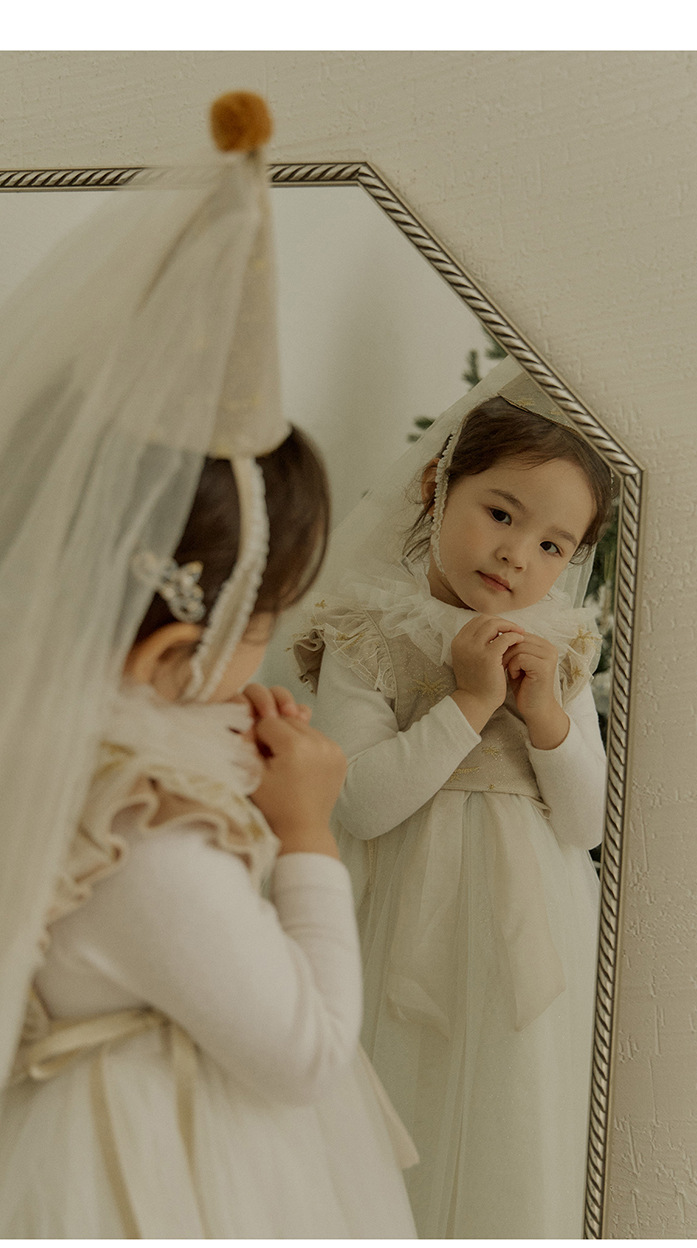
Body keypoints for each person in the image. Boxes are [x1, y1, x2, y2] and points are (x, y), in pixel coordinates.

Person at [0, 93, 416, 1238]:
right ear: (176, 646)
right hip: (165, 1181)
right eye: (266, 618)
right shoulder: (144, 838)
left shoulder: (58, 745)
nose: (266, 652)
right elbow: (305, 1053)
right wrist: (307, 833)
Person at [294, 357, 615, 1238]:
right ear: (438, 485)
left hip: (534, 926)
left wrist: (544, 715)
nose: (516, 553)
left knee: (518, 1107)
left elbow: (587, 822)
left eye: (552, 545)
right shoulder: (371, 635)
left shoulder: (560, 652)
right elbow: (361, 804)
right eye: (500, 514)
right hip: (403, 907)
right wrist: (471, 703)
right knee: (405, 1098)